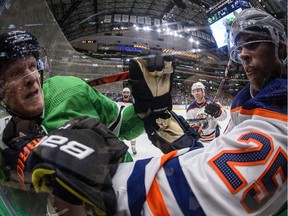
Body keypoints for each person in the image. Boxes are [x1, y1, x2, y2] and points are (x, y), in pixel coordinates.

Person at [0, 30, 144, 215]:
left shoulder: (71, 89)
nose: (31, 78)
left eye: (32, 66)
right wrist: (27, 184)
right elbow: (26, 209)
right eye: (16, 73)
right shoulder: (5, 145)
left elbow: (121, 123)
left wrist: (144, 109)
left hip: (133, 190)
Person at [115, 87, 138, 155]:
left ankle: (133, 147)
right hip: (120, 120)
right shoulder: (118, 100)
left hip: (129, 121)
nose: (126, 94)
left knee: (132, 135)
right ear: (122, 93)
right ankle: (118, 148)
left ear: (129, 94)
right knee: (118, 135)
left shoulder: (133, 101)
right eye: (124, 92)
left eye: (127, 92)